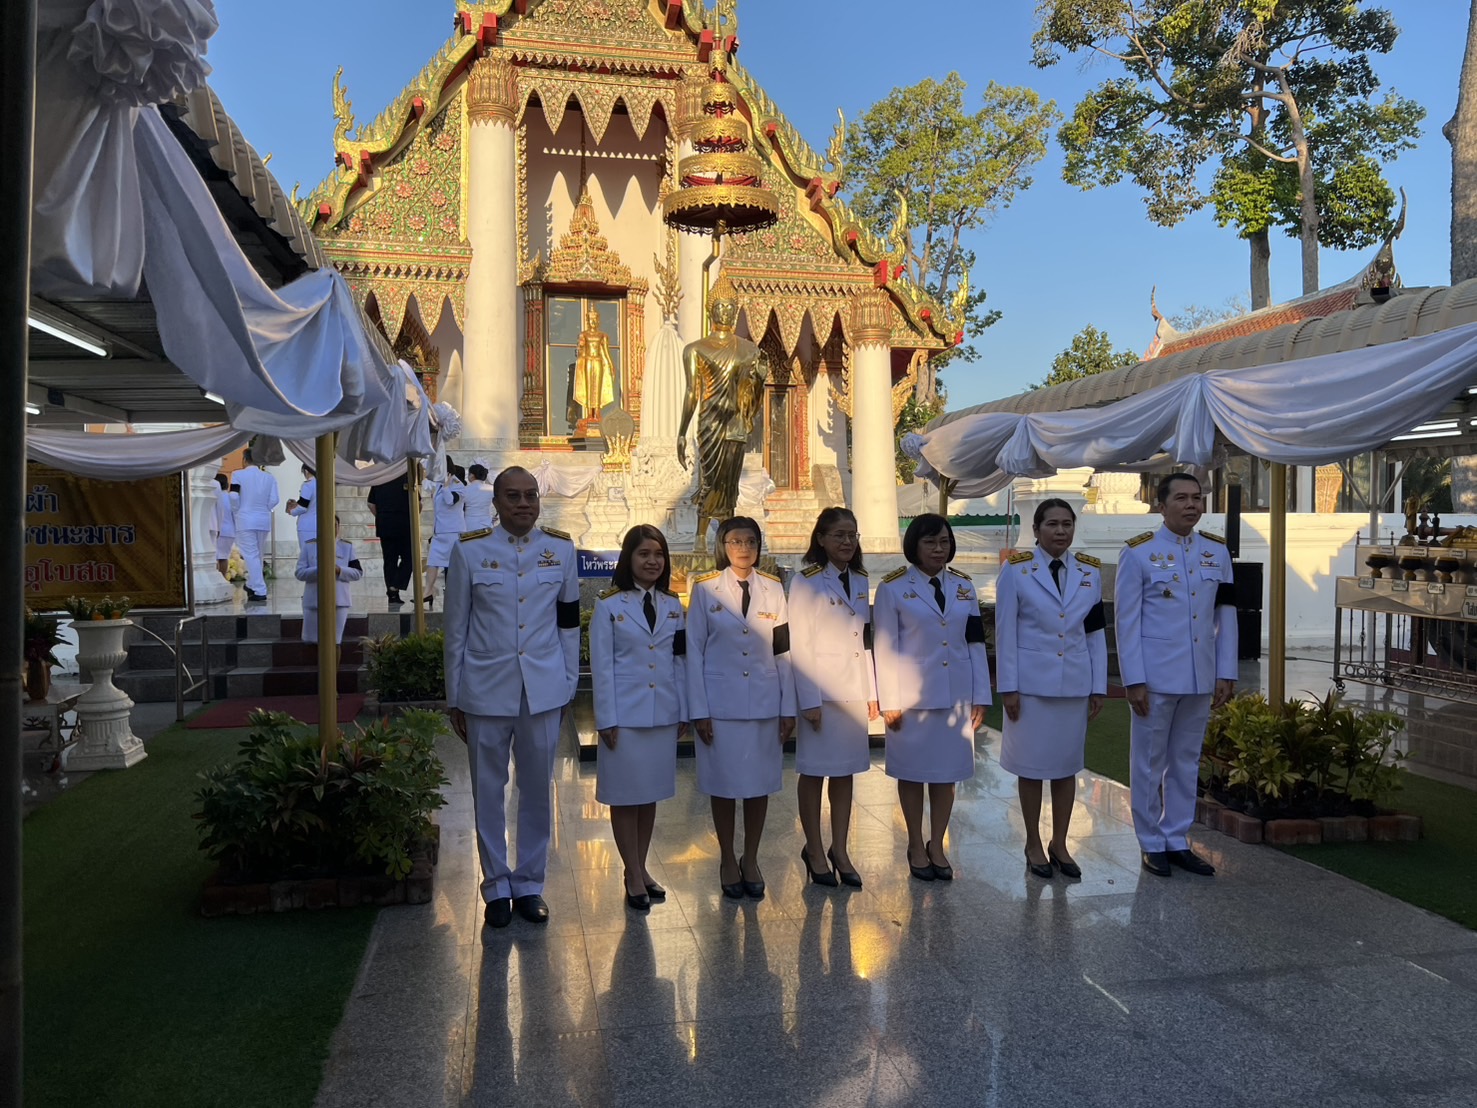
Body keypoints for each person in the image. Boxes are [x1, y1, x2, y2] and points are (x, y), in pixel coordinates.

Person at [443, 465, 580, 928]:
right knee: (487, 789)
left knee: (538, 789)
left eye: (530, 496)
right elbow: (455, 629)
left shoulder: (560, 550)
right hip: (484, 689)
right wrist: (454, 695)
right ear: (497, 503)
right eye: (513, 497)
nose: (523, 504)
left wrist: (566, 687)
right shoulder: (470, 552)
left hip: (542, 690)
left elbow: (568, 624)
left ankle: (529, 884)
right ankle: (496, 885)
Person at [1117, 472, 1238, 878]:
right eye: (1182, 498)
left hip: (1200, 675)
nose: (1192, 505)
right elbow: (1126, 622)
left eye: (1197, 498)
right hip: (1154, 677)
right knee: (1149, 761)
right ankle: (1151, 841)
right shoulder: (1138, 553)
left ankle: (1177, 838)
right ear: (1161, 504)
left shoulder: (1217, 553)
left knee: (1186, 762)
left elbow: (1226, 615)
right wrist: (1133, 679)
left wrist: (1227, 670)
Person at [873, 513, 990, 882]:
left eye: (944, 542)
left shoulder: (963, 588)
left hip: (955, 695)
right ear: (914, 546)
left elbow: (974, 643)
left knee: (945, 776)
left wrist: (980, 696)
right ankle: (913, 842)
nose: (939, 549)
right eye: (930, 542)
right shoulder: (893, 588)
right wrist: (889, 699)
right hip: (911, 699)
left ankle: (937, 842)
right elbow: (885, 647)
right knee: (912, 774)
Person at [995, 499, 1107, 881]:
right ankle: (1032, 842)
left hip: (1074, 683)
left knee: (1065, 767)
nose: (1060, 531)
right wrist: (1008, 687)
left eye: (1067, 524)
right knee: (1031, 767)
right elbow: (1006, 631)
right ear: (1037, 529)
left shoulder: (1089, 573)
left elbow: (1094, 633)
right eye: (1052, 524)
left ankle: (1060, 842)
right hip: (1031, 687)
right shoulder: (1017, 571)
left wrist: (1098, 685)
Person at [686, 516, 796, 899]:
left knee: (758, 786)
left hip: (765, 704)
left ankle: (750, 857)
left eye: (751, 541)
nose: (744, 548)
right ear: (724, 546)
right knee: (722, 785)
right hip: (720, 706)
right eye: (735, 541)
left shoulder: (773, 589)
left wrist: (789, 707)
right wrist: (698, 709)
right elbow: (694, 652)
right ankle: (727, 858)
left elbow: (783, 651)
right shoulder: (705, 590)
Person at [590, 525, 687, 912]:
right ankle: (631, 872)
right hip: (625, 717)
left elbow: (678, 662)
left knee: (648, 796)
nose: (652, 561)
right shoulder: (609, 605)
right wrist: (606, 719)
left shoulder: (673, 604)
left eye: (658, 554)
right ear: (628, 558)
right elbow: (602, 667)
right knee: (624, 796)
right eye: (644, 554)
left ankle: (641, 866)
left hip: (662, 713)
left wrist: (683, 708)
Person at [787, 506, 877, 888]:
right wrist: (808, 699)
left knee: (846, 773)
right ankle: (814, 848)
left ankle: (840, 848)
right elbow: (799, 642)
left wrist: (872, 690)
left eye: (852, 534)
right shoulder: (805, 580)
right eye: (838, 534)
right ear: (820, 538)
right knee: (814, 772)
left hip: (854, 689)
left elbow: (866, 639)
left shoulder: (858, 579)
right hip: (821, 693)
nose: (846, 541)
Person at [675, 275, 768, 552]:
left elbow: (752, 392)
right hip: (709, 423)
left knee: (729, 482)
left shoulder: (749, 349)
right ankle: (701, 535)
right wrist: (681, 433)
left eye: (730, 306)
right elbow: (692, 392)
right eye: (720, 306)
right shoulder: (695, 349)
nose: (725, 312)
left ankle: (726, 535)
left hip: (735, 423)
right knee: (710, 478)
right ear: (710, 310)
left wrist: (759, 379)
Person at [295, 516, 362, 654]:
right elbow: (300, 573)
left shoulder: (346, 547)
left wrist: (339, 570)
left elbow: (357, 573)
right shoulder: (309, 546)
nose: (333, 528)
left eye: (335, 525)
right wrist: (319, 570)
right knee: (313, 643)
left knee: (334, 643)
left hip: (339, 601)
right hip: (314, 601)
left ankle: (334, 674)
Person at [229, 447, 279, 603]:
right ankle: (251, 584)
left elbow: (233, 495)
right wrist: (264, 509)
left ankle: (259, 589)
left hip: (245, 519)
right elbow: (274, 500)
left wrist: (238, 510)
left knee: (250, 555)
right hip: (263, 520)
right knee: (257, 554)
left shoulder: (238, 475)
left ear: (244, 460)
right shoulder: (269, 478)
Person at [423, 464, 465, 609]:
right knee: (432, 561)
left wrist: (447, 486)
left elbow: (450, 501)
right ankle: (428, 591)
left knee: (452, 565)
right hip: (440, 531)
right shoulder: (439, 485)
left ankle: (455, 594)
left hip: (453, 532)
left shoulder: (458, 485)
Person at [366, 475, 413, 606]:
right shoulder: (406, 478)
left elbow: (371, 504)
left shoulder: (380, 479)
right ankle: (395, 587)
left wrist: (382, 516)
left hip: (387, 524)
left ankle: (393, 590)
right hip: (404, 524)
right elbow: (418, 503)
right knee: (409, 558)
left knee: (390, 560)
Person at [210, 472, 237, 579]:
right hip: (229, 531)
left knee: (215, 558)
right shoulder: (231, 498)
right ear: (227, 484)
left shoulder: (215, 496)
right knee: (224, 557)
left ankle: (216, 579)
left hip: (217, 530)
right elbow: (235, 515)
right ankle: (223, 579)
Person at [285, 463, 317, 549]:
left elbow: (303, 507)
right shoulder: (323, 484)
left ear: (306, 471)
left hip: (307, 526)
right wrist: (297, 503)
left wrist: (291, 511)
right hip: (319, 524)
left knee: (306, 554)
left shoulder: (307, 485)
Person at [461, 461, 495, 531]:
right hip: (487, 523)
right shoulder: (492, 489)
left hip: (469, 524)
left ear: (472, 475)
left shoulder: (464, 490)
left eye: (469, 474)